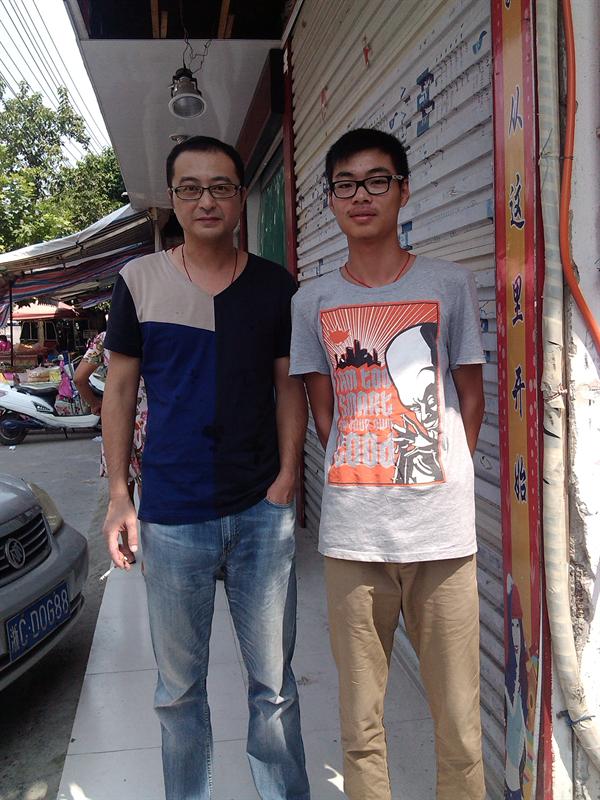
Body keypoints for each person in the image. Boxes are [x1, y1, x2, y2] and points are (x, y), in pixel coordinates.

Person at [101, 135, 310, 800]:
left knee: (273, 686)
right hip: (172, 514)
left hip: (260, 513)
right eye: (190, 188)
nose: (206, 201)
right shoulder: (138, 281)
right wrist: (119, 496)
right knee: (178, 691)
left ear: (241, 198)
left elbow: (289, 387)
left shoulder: (275, 286)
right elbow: (119, 391)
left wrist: (286, 479)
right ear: (173, 199)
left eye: (220, 187)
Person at [289, 127, 486, 800]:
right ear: (330, 200)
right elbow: (324, 414)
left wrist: (441, 469)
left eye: (377, 180)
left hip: (443, 537)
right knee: (360, 723)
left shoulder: (449, 284)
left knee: (459, 721)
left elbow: (469, 396)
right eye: (345, 184)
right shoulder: (311, 301)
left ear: (403, 190)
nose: (361, 196)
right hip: (354, 537)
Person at [74, 331, 147, 564]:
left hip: (116, 422)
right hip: (148, 420)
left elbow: (79, 378)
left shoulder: (104, 338)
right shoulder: (147, 330)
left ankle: (128, 549)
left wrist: (95, 404)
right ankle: (151, 556)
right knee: (148, 490)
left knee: (121, 490)